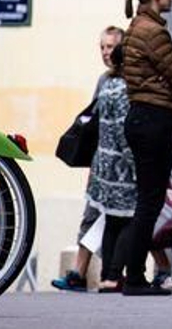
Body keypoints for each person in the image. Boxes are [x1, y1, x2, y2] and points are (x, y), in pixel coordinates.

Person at [114, 0, 172, 296]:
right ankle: (133, 277)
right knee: (149, 202)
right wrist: (165, 83)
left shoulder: (135, 28)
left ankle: (132, 274)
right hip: (154, 119)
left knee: (146, 200)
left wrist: (160, 81)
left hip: (140, 118)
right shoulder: (153, 31)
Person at [53, 26, 126, 293]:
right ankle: (81, 272)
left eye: (111, 47)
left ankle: (103, 272)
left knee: (117, 217)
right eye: (102, 47)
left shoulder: (119, 81)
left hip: (114, 160)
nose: (106, 52)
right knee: (94, 215)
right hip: (101, 159)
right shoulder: (103, 79)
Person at [87, 42, 136, 293]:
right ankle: (115, 275)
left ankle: (108, 274)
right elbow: (122, 128)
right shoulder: (124, 90)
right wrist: (133, 163)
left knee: (112, 221)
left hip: (103, 161)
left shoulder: (107, 85)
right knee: (128, 220)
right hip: (120, 167)